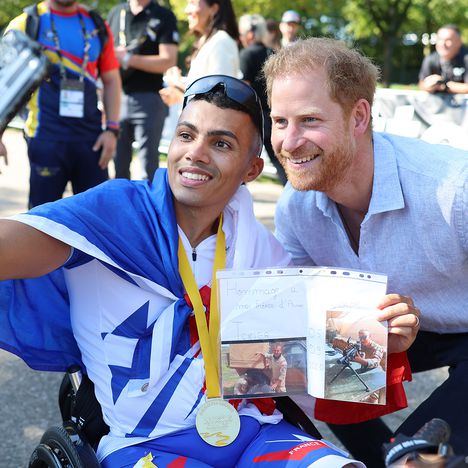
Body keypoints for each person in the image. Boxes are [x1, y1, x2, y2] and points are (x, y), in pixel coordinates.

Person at [0, 75, 379, 467]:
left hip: (257, 434)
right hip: (144, 445)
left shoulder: (260, 251)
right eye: (186, 135)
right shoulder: (111, 215)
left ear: (252, 169)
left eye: (220, 144)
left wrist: (377, 340)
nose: (195, 153)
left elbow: (313, 369)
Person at [263, 37, 468, 465]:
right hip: (406, 327)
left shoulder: (453, 188)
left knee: (417, 454)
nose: (289, 141)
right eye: (280, 121)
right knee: (307, 364)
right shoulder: (295, 207)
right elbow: (307, 327)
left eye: (309, 119)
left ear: (359, 116)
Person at [3, 0, 121, 208]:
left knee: (96, 224)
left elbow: (111, 80)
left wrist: (112, 130)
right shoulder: (27, 23)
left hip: (91, 143)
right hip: (46, 139)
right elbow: (3, 83)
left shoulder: (97, 25)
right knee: (41, 227)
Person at [107, 0, 179, 180]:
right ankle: (121, 207)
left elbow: (168, 60)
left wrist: (129, 59)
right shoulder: (116, 13)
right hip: (118, 96)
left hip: (149, 98)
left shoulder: (163, 15)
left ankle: (148, 208)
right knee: (119, 167)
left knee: (148, 167)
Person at [160, 0, 240, 107]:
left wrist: (177, 84)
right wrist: (178, 93)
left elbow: (220, 99)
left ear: (214, 8)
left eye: (193, 3)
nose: (186, 10)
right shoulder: (208, 42)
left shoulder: (221, 41)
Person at [238, 14, 287, 185]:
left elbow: (243, 89)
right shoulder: (273, 53)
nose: (241, 38)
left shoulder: (246, 54)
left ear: (250, 34)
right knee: (282, 161)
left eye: (242, 34)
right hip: (278, 115)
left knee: (243, 160)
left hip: (256, 117)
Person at [418, 24, 468, 94]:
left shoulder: (466, 59)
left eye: (448, 40)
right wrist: (429, 85)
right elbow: (422, 84)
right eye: (439, 39)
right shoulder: (430, 59)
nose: (443, 44)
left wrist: (444, 85)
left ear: (459, 42)